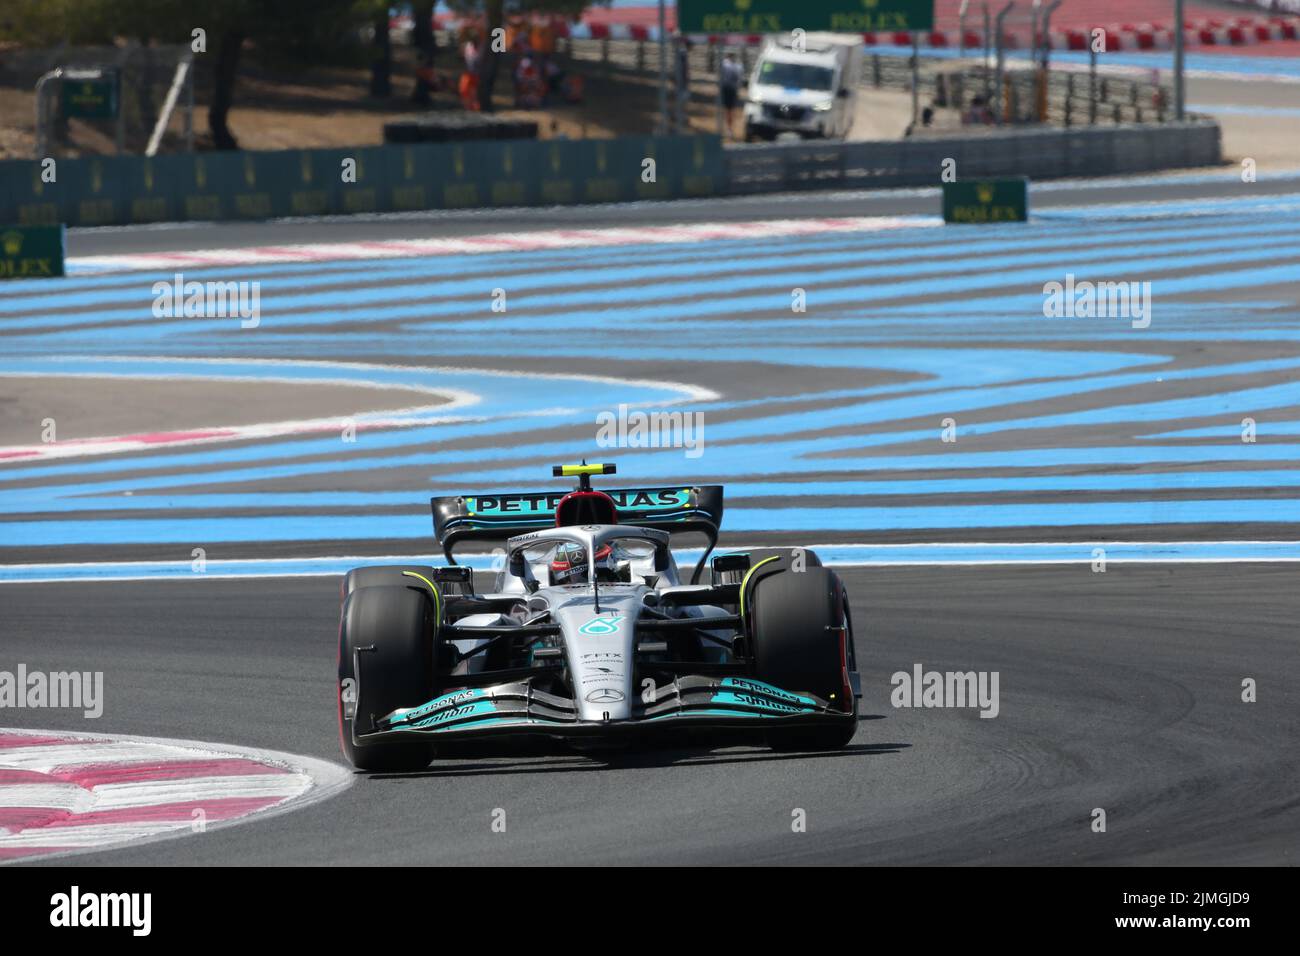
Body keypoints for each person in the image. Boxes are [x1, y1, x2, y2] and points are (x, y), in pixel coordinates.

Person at [720, 52, 742, 139]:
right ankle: (728, 130)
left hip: (728, 89)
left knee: (727, 111)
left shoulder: (725, 64)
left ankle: (727, 129)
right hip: (731, 90)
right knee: (729, 111)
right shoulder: (738, 66)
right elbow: (739, 80)